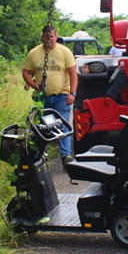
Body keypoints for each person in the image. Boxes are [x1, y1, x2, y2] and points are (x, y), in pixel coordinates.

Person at [22, 25, 78, 165]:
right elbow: (26, 71)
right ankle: (42, 156)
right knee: (44, 125)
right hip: (44, 97)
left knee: (63, 125)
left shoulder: (64, 52)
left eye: (51, 36)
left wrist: (73, 93)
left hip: (62, 96)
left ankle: (66, 156)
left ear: (56, 36)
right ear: (42, 37)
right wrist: (32, 84)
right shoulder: (34, 53)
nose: (49, 39)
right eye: (46, 36)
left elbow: (72, 73)